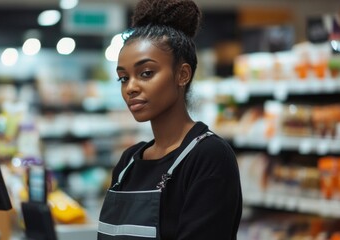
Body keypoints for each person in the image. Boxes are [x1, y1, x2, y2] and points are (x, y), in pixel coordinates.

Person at [97, 0, 242, 239]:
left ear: (182, 74)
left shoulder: (208, 156)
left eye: (146, 73)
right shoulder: (128, 163)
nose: (131, 87)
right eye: (123, 78)